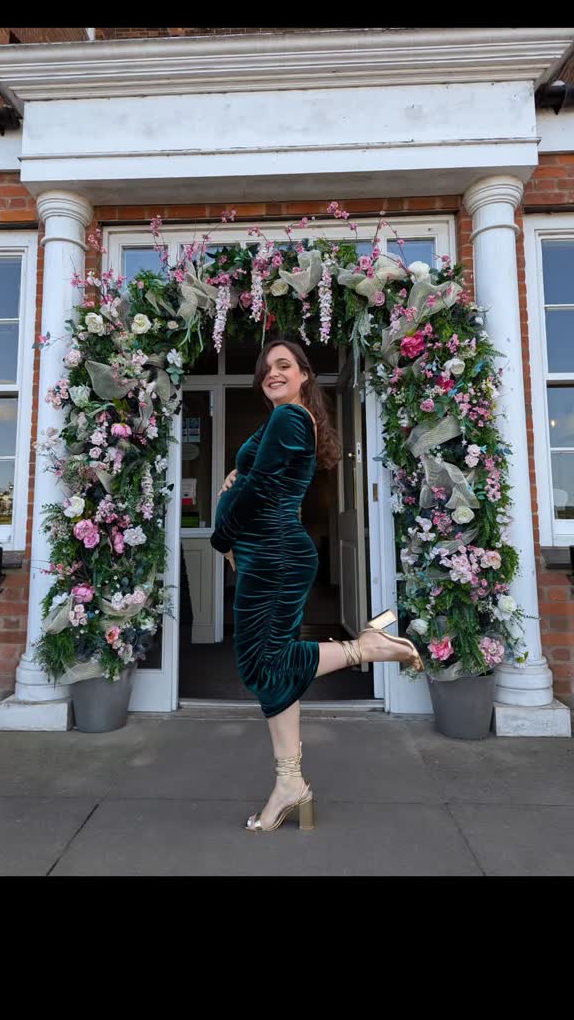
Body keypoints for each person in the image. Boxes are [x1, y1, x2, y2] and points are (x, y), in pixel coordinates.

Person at [210, 339, 423, 833]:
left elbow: (263, 490)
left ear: (305, 373)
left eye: (283, 366)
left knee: (262, 663)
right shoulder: (283, 420)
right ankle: (291, 783)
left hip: (275, 555)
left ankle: (367, 647)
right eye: (265, 369)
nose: (272, 374)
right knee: (270, 668)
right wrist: (235, 476)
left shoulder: (288, 418)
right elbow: (261, 477)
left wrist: (222, 536)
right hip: (270, 553)